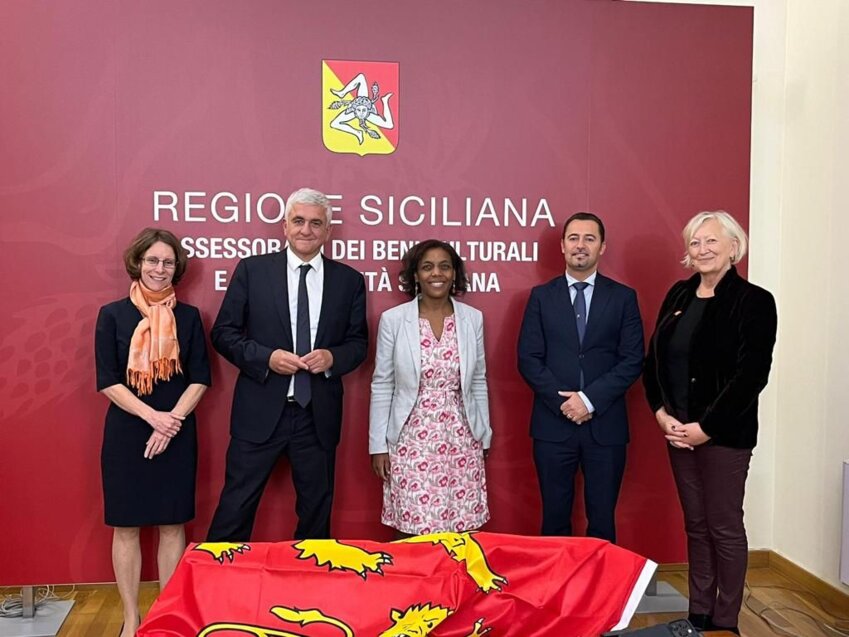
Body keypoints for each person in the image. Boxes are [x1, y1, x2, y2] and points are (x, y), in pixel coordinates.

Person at [207, 187, 368, 542]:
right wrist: (266, 357)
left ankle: (309, 576)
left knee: (316, 514)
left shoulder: (349, 281)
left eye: (315, 223)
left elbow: (358, 344)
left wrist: (332, 358)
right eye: (298, 221)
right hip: (260, 410)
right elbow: (223, 333)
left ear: (328, 231)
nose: (306, 230)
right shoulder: (253, 271)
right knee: (235, 508)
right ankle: (218, 575)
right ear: (284, 226)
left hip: (317, 416)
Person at [644, 211, 777, 635]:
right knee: (696, 526)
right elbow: (654, 361)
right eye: (695, 242)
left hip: (724, 437)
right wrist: (661, 414)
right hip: (677, 433)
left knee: (724, 526)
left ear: (734, 247)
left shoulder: (755, 301)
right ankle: (699, 611)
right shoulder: (679, 294)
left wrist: (705, 428)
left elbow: (751, 375)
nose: (701, 250)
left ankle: (725, 620)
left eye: (711, 241)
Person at [95, 228, 211, 637]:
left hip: (176, 431)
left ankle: (167, 614)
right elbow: (108, 381)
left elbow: (201, 378)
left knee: (171, 524)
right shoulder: (112, 315)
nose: (159, 269)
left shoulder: (190, 317)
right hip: (128, 432)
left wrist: (171, 421)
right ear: (138, 263)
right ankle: (131, 618)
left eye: (167, 262)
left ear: (176, 268)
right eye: (152, 260)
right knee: (126, 526)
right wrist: (153, 418)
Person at [517, 212, 644, 543]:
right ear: (562, 245)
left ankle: (601, 578)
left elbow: (632, 359)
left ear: (602, 247)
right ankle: (557, 578)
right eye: (573, 238)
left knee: (602, 519)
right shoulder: (541, 296)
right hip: (552, 425)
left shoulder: (623, 298)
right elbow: (528, 358)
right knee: (554, 518)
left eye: (590, 238)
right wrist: (565, 403)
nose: (581, 245)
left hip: (606, 426)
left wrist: (588, 401)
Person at [369, 240, 491, 537]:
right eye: (427, 267)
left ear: (454, 273)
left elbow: (478, 380)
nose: (437, 273)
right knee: (414, 526)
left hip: (462, 436)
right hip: (411, 439)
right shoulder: (394, 320)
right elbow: (382, 383)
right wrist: (378, 445)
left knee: (461, 528)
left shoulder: (472, 318)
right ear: (415, 275)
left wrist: (484, 432)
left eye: (444, 267)